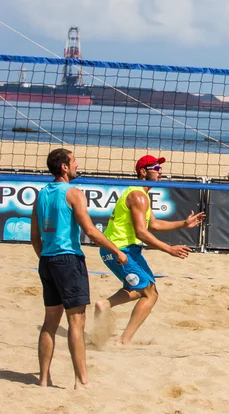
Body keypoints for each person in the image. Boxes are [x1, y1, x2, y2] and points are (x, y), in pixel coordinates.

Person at [30, 148, 127, 389]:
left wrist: (45, 257)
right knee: (76, 321)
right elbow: (91, 231)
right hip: (68, 260)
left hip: (47, 260)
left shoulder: (41, 194)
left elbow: (35, 237)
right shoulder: (73, 193)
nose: (77, 165)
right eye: (73, 161)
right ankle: (81, 381)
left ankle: (43, 379)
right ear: (64, 166)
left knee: (50, 322)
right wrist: (116, 251)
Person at [94, 155, 205, 344]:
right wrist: (168, 249)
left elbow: (153, 225)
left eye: (160, 168)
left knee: (141, 288)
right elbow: (142, 233)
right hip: (120, 250)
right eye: (156, 168)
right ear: (143, 172)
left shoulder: (140, 194)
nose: (161, 172)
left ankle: (105, 305)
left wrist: (184, 224)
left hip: (122, 249)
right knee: (151, 294)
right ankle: (124, 340)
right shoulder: (138, 196)